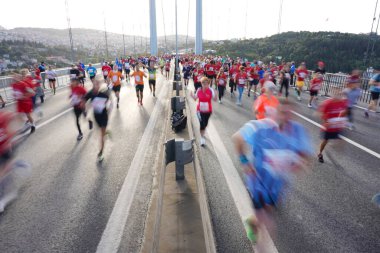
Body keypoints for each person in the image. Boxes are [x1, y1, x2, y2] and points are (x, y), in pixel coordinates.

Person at [233, 99, 312, 247]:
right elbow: (237, 138)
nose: (286, 116)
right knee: (269, 225)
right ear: (275, 112)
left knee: (266, 211)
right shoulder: (260, 127)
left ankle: (252, 222)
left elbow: (305, 153)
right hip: (258, 182)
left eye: (290, 113)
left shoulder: (297, 130)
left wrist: (301, 163)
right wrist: (245, 162)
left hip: (278, 183)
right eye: (283, 112)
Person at [0, 111, 31, 213]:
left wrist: (12, 134)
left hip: (5, 149)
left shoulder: (4, 116)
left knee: (3, 173)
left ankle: (4, 198)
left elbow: (20, 117)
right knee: (4, 171)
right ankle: (18, 164)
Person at [84, 76, 112, 163]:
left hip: (104, 116)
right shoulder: (91, 93)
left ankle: (101, 153)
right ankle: (107, 132)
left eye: (97, 84)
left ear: (99, 85)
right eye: (94, 84)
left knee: (101, 135)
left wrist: (108, 108)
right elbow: (84, 100)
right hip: (96, 116)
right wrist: (86, 110)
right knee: (101, 131)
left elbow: (109, 100)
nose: (96, 85)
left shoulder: (104, 93)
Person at [317, 88, 348, 163]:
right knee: (325, 140)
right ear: (332, 95)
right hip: (328, 126)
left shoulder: (343, 102)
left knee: (340, 140)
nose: (338, 96)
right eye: (336, 94)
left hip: (337, 125)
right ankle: (320, 153)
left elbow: (346, 111)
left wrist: (343, 120)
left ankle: (332, 144)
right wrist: (326, 121)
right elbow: (321, 113)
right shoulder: (328, 103)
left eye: (339, 94)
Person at [191, 77, 217, 146]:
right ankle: (202, 138)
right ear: (201, 84)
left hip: (208, 111)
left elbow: (214, 99)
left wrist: (215, 94)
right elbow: (195, 98)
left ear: (208, 84)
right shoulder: (199, 90)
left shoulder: (210, 90)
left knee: (205, 124)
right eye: (203, 83)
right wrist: (192, 96)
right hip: (199, 111)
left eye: (207, 84)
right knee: (202, 123)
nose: (205, 85)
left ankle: (202, 132)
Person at [12, 69, 36, 134]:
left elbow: (32, 92)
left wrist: (24, 96)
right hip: (19, 102)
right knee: (19, 116)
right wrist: (14, 96)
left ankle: (33, 125)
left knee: (28, 115)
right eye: (13, 77)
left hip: (26, 102)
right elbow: (15, 93)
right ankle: (27, 123)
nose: (14, 78)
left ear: (19, 78)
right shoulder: (13, 85)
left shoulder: (23, 84)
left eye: (15, 77)